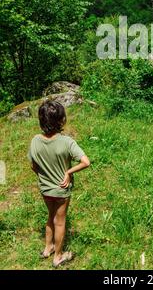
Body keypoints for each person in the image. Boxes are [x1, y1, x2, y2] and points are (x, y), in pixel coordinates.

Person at [28, 100, 90, 267]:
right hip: (61, 190)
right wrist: (68, 172)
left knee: (50, 216)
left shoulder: (35, 140)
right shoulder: (66, 142)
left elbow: (33, 165)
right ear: (61, 120)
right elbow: (85, 162)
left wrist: (44, 176)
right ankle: (58, 257)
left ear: (41, 120)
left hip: (45, 189)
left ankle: (47, 248)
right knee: (60, 221)